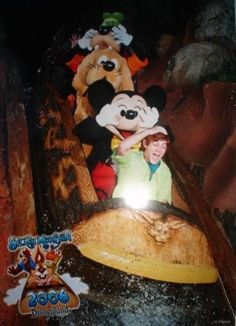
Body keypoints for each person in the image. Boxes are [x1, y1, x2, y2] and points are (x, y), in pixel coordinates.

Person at [111, 125, 172, 204]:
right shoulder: (132, 158)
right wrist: (147, 132)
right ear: (145, 144)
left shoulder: (165, 171)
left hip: (148, 215)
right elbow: (122, 147)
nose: (159, 149)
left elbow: (164, 202)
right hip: (121, 210)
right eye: (155, 144)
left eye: (163, 146)